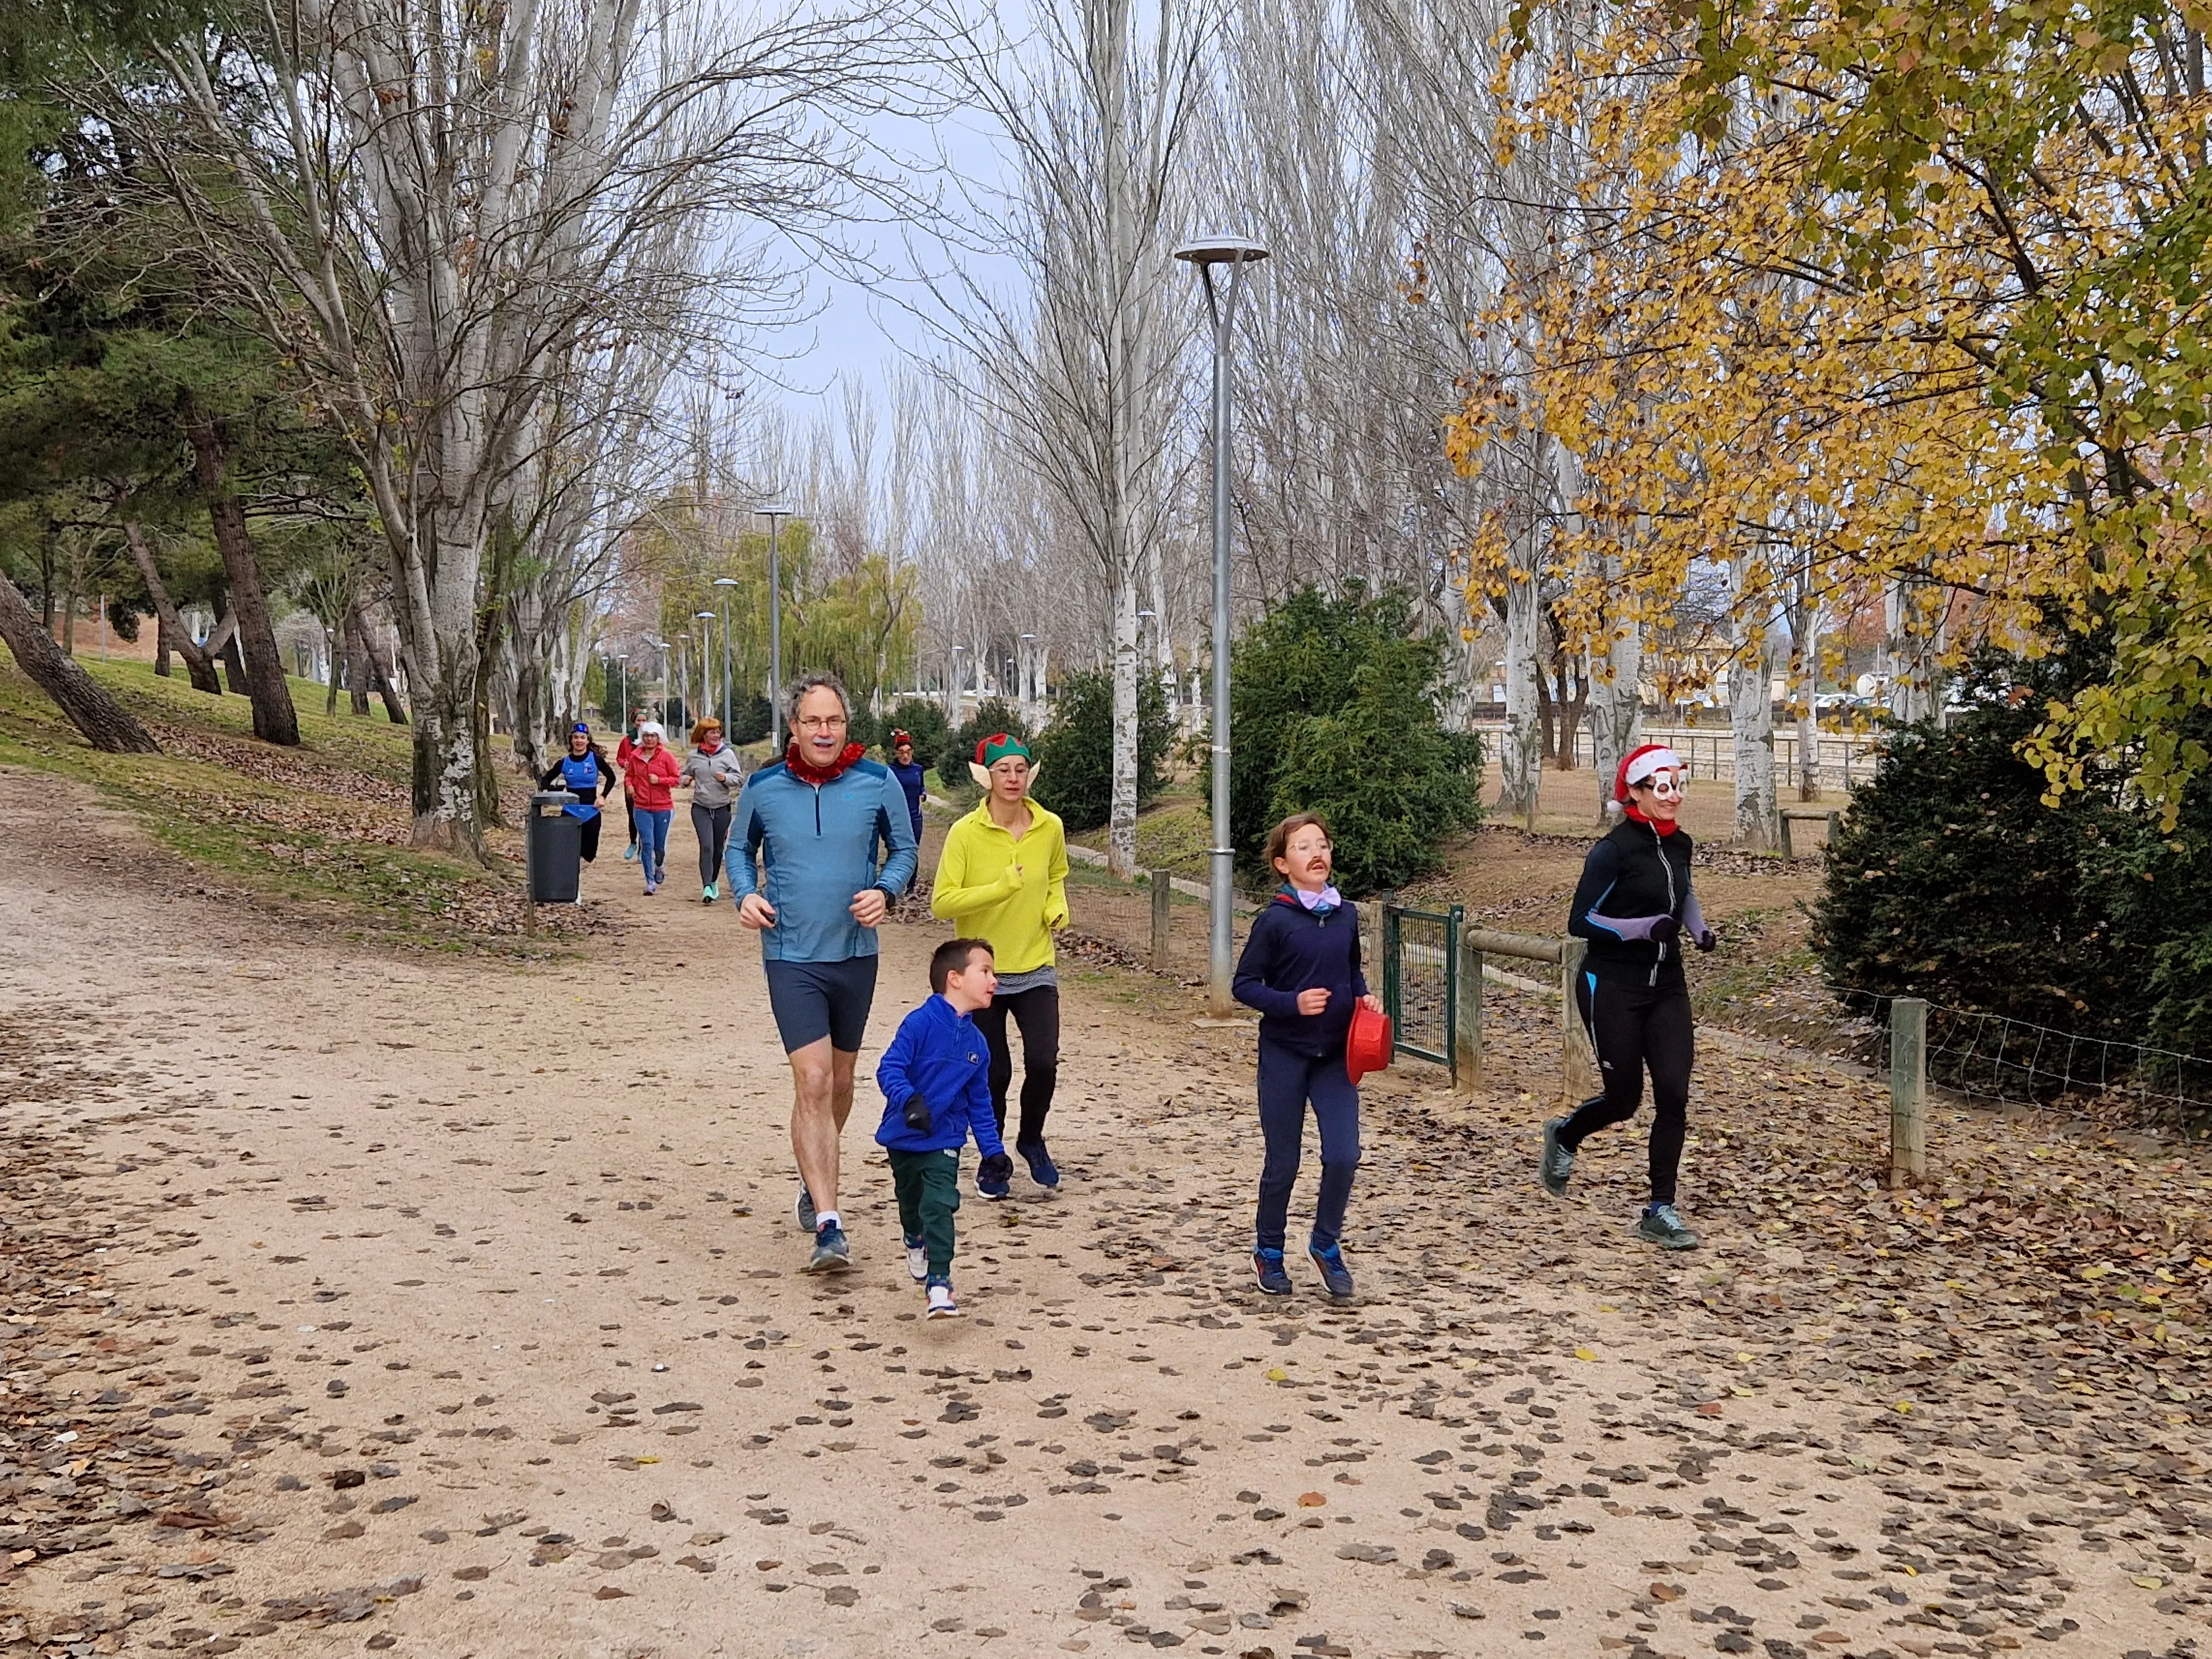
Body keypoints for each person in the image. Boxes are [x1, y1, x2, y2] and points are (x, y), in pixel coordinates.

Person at [727, 671, 920, 1272]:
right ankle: (830, 1226)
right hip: (790, 954)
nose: (823, 731)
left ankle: (813, 1175)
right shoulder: (763, 787)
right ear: (794, 726)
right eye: (812, 720)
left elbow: (905, 850)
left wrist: (886, 891)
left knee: (838, 1083)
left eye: (833, 720)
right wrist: (745, 893)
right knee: (811, 1080)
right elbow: (739, 850)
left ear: (846, 725)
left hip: (855, 953)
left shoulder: (878, 781)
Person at [1543, 743, 1718, 1251]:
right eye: (1662, 787)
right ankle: (1566, 1135)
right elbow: (1580, 922)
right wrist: (1643, 928)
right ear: (1636, 793)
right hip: (1611, 986)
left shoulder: (1681, 843)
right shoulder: (1612, 851)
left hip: (1667, 987)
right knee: (1624, 1100)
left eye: (1678, 786)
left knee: (1674, 1094)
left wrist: (1698, 930)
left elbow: (1683, 893)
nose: (1673, 796)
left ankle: (1660, 1209)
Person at [1231, 812, 1380, 1301]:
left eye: (1323, 844)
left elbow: (1351, 972)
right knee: (1284, 1162)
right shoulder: (1274, 920)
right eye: (1303, 847)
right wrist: (1290, 1003)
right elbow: (1244, 985)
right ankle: (1269, 1251)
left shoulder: (1346, 914)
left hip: (1335, 1057)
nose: (1317, 853)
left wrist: (1363, 999)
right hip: (1285, 1055)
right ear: (1282, 864)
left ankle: (1326, 1244)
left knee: (1344, 1154)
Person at [930, 733, 1069, 1194]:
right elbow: (942, 903)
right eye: (1003, 770)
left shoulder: (1050, 826)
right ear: (985, 777)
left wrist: (1056, 906)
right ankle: (993, 1158)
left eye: (1020, 770)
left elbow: (1056, 876)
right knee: (994, 1073)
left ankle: (1031, 1140)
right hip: (980, 974)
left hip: (1036, 964)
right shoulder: (965, 832)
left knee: (1043, 1062)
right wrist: (1000, 889)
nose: (1013, 778)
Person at [873, 937, 1014, 1318]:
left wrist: (993, 1151)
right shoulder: (919, 1023)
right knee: (911, 1203)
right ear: (955, 978)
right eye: (985, 971)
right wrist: (909, 1101)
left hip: (945, 1138)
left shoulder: (978, 1044)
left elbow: (980, 1102)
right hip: (904, 1136)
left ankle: (940, 1284)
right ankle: (913, 1237)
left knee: (939, 1204)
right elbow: (889, 1068)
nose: (995, 980)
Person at [681, 717, 746, 905]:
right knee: (707, 846)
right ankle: (707, 886)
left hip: (722, 807)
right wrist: (685, 780)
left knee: (718, 849)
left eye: (718, 732)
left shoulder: (728, 755)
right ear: (704, 735)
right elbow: (685, 774)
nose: (717, 735)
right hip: (700, 806)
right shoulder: (694, 756)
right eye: (712, 732)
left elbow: (739, 778)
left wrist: (726, 778)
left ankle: (714, 880)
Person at [536, 724, 615, 871]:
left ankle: (577, 872)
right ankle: (570, 878)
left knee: (589, 854)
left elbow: (611, 777)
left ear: (588, 741)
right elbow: (546, 779)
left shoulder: (595, 760)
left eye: (582, 738)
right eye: (576, 738)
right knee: (571, 851)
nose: (579, 741)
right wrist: (548, 794)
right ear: (571, 740)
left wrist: (603, 796)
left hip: (591, 811)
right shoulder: (564, 762)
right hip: (570, 811)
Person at [623, 721, 680, 896]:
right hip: (641, 807)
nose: (649, 739)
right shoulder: (635, 757)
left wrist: (660, 781)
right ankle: (649, 881)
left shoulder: (667, 757)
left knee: (659, 846)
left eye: (653, 736)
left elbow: (676, 779)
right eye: (646, 735)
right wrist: (629, 786)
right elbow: (629, 776)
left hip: (663, 807)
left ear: (659, 738)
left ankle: (659, 865)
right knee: (647, 843)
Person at [615, 707, 651, 862]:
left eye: (644, 720)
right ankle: (633, 843)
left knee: (646, 815)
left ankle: (644, 848)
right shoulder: (627, 740)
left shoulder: (651, 739)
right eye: (639, 720)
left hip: (647, 783)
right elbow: (620, 757)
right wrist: (624, 763)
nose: (641, 723)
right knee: (633, 814)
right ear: (634, 722)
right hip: (631, 782)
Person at [885, 730, 927, 849]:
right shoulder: (890, 771)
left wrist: (923, 794)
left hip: (915, 817)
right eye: (902, 752)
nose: (905, 756)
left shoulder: (918, 770)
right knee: (898, 850)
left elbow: (921, 787)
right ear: (896, 753)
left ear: (912, 752)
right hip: (897, 818)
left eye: (908, 752)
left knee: (914, 848)